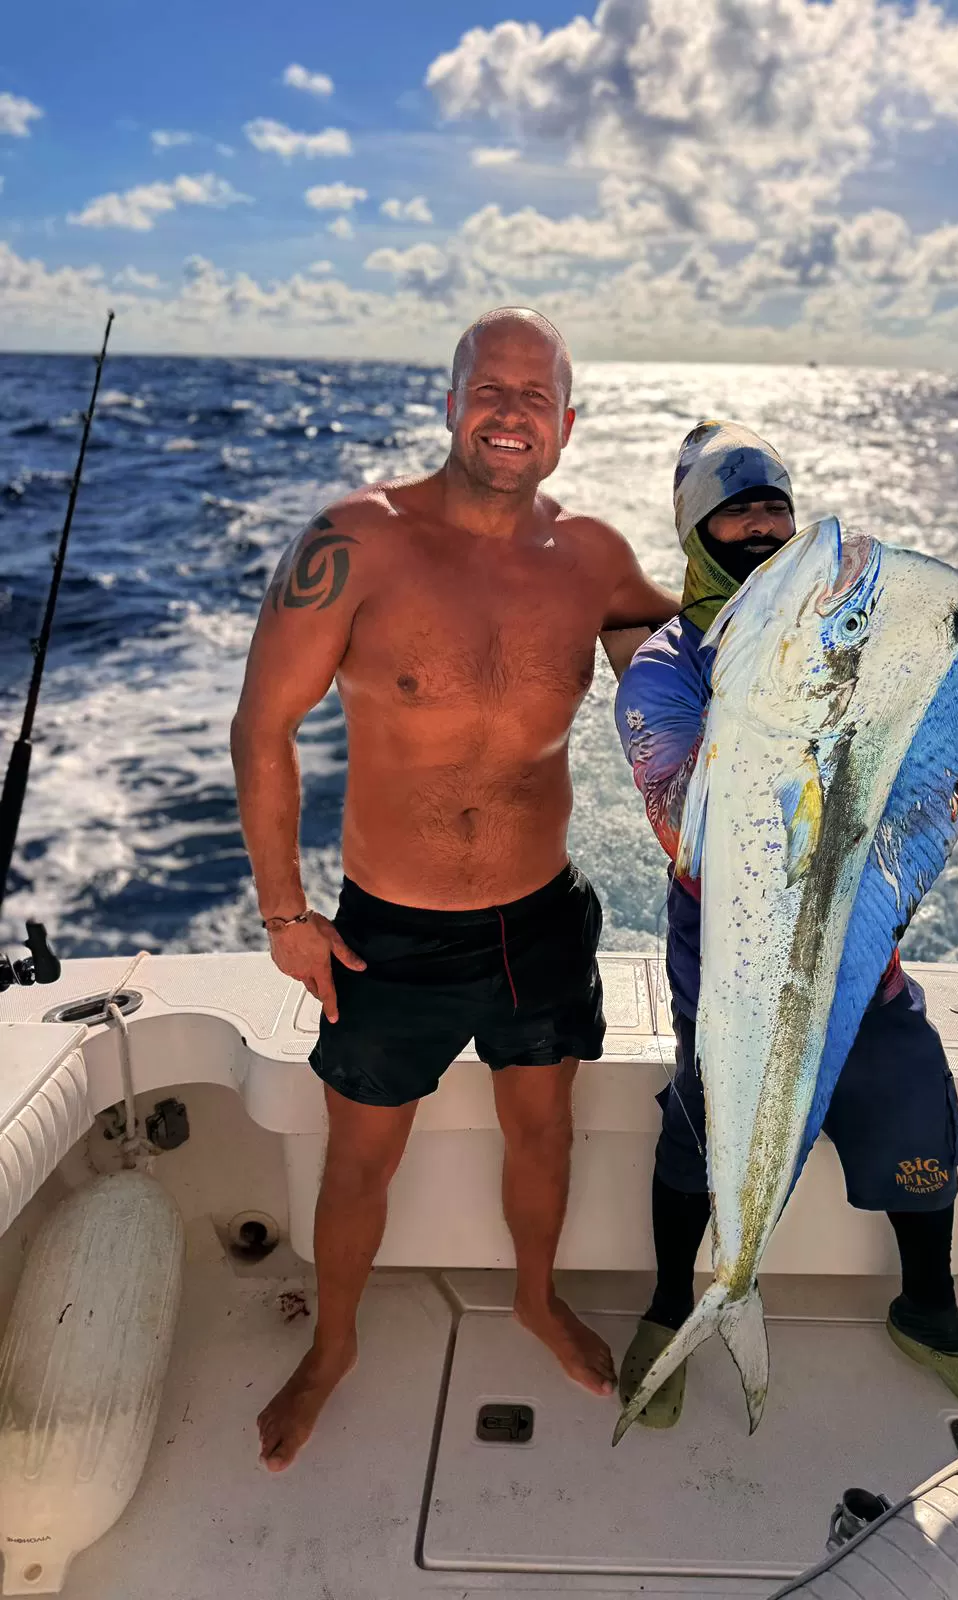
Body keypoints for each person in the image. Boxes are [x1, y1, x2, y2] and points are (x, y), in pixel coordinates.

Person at [231, 307, 678, 1470]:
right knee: (360, 1160)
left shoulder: (593, 560)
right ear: (449, 402)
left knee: (546, 1133)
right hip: (393, 936)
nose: (512, 412)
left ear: (569, 423)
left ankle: (534, 1297)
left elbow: (693, 702)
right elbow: (262, 725)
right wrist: (286, 914)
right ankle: (334, 1347)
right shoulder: (355, 541)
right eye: (492, 388)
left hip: (540, 918)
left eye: (538, 396)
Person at [614, 420, 958, 1431]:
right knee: (701, 1127)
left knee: (916, 1117)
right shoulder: (664, 670)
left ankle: (930, 1312)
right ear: (694, 528)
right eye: (736, 506)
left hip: (857, 949)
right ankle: (677, 1299)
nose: (763, 523)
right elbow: (689, 829)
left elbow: (920, 756)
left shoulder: (855, 635)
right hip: (726, 956)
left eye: (775, 505)